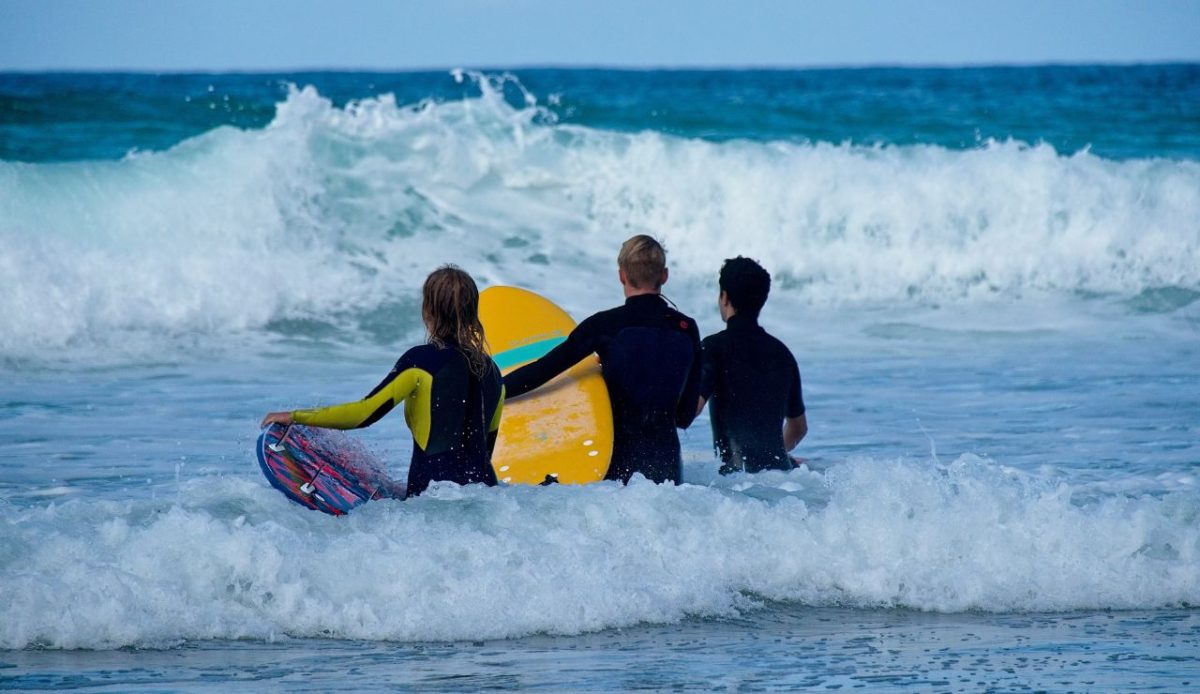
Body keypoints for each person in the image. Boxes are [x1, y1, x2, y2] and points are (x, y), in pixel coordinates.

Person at [261, 265, 503, 498]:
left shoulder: (421, 362)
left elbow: (364, 414)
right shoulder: (493, 372)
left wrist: (295, 416)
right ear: (473, 310)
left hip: (433, 501)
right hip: (488, 497)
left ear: (428, 310)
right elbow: (485, 448)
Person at [503, 235, 702, 485]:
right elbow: (684, 416)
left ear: (622, 276)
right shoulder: (687, 329)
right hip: (668, 469)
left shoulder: (605, 325)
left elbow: (543, 370)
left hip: (616, 466)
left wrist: (493, 391)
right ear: (664, 276)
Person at [696, 257, 807, 474]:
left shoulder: (714, 347)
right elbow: (799, 428)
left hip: (736, 479)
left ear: (724, 297)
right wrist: (774, 455)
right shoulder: (782, 354)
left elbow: (693, 407)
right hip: (780, 474)